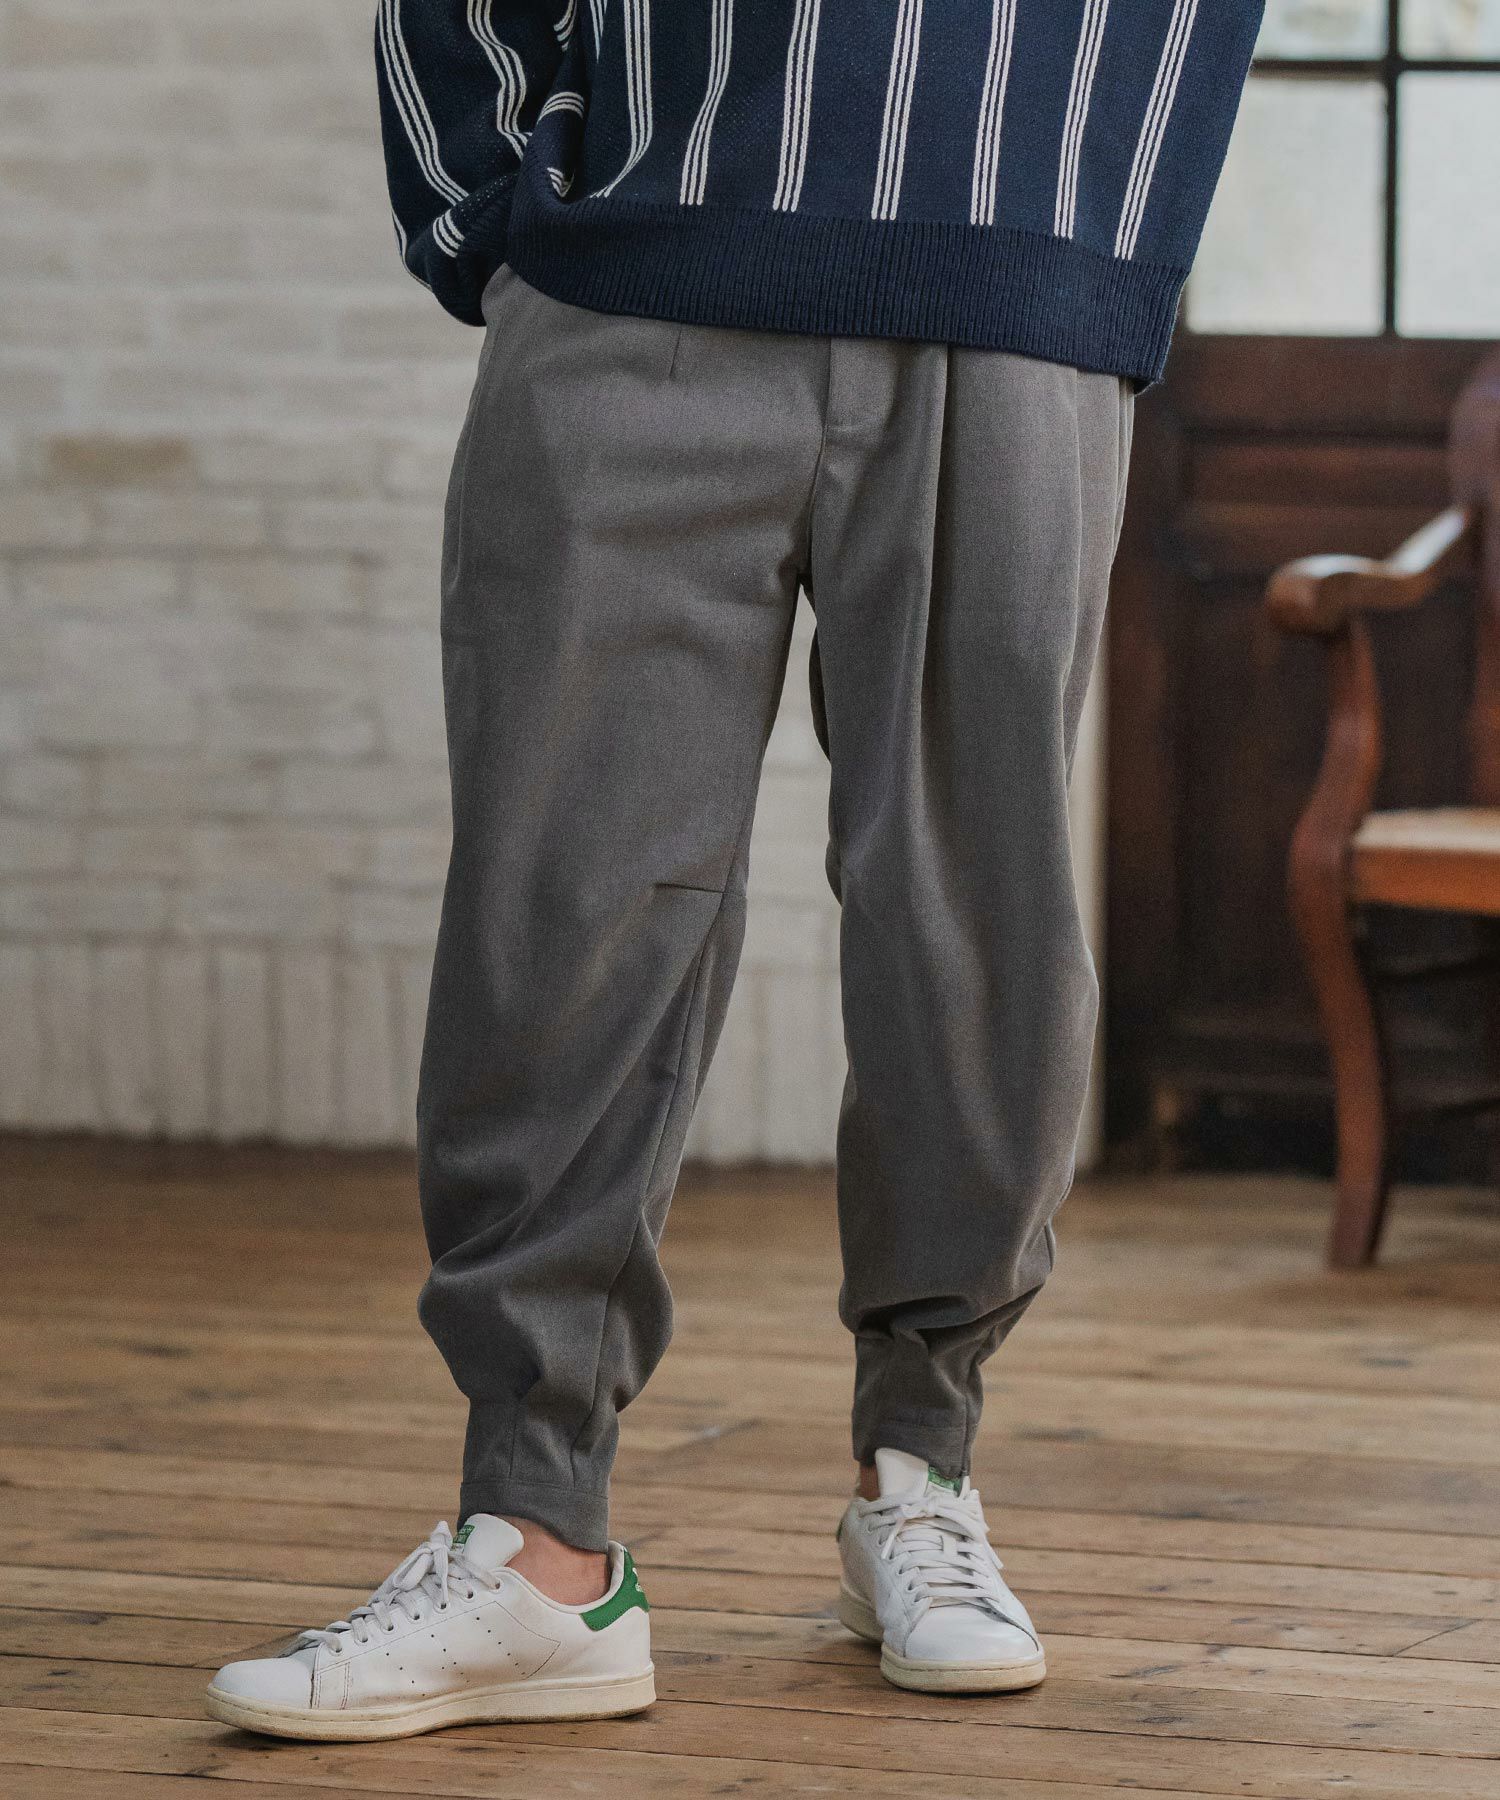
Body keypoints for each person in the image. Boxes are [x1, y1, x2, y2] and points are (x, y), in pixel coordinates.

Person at [207, 0, 1261, 1742]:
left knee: (974, 926)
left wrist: (1105, 240)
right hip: (638, 281)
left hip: (1014, 289)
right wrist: (503, 227)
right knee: (563, 911)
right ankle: (536, 1541)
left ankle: (921, 1473)